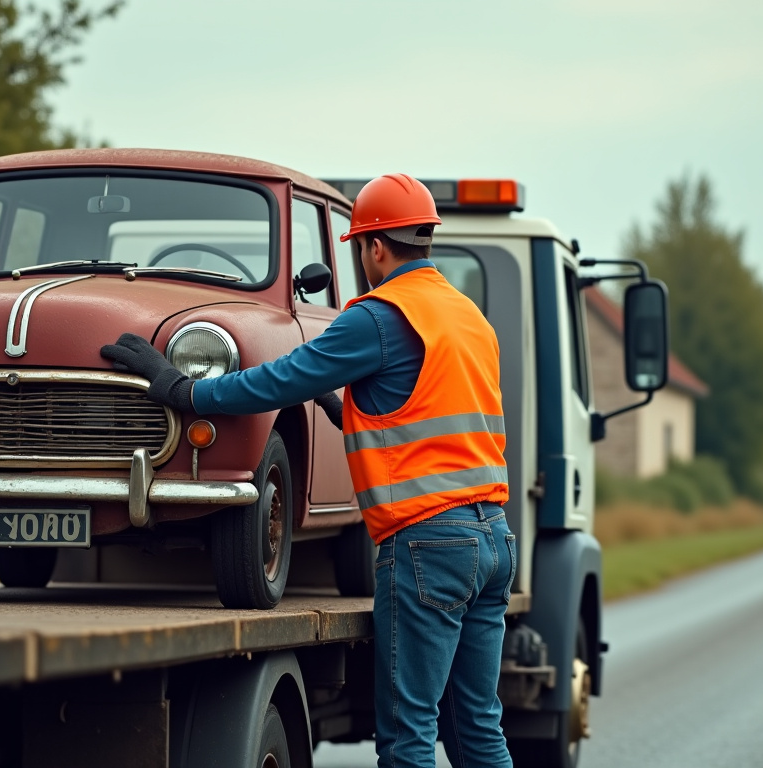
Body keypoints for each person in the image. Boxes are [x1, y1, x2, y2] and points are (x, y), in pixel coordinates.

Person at [101, 173, 514, 768]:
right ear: (424, 239)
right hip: (493, 539)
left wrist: (183, 390)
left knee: (409, 734)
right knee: (478, 726)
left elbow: (274, 380)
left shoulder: (379, 317)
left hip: (429, 544)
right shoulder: (467, 317)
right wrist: (340, 407)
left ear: (373, 247)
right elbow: (420, 419)